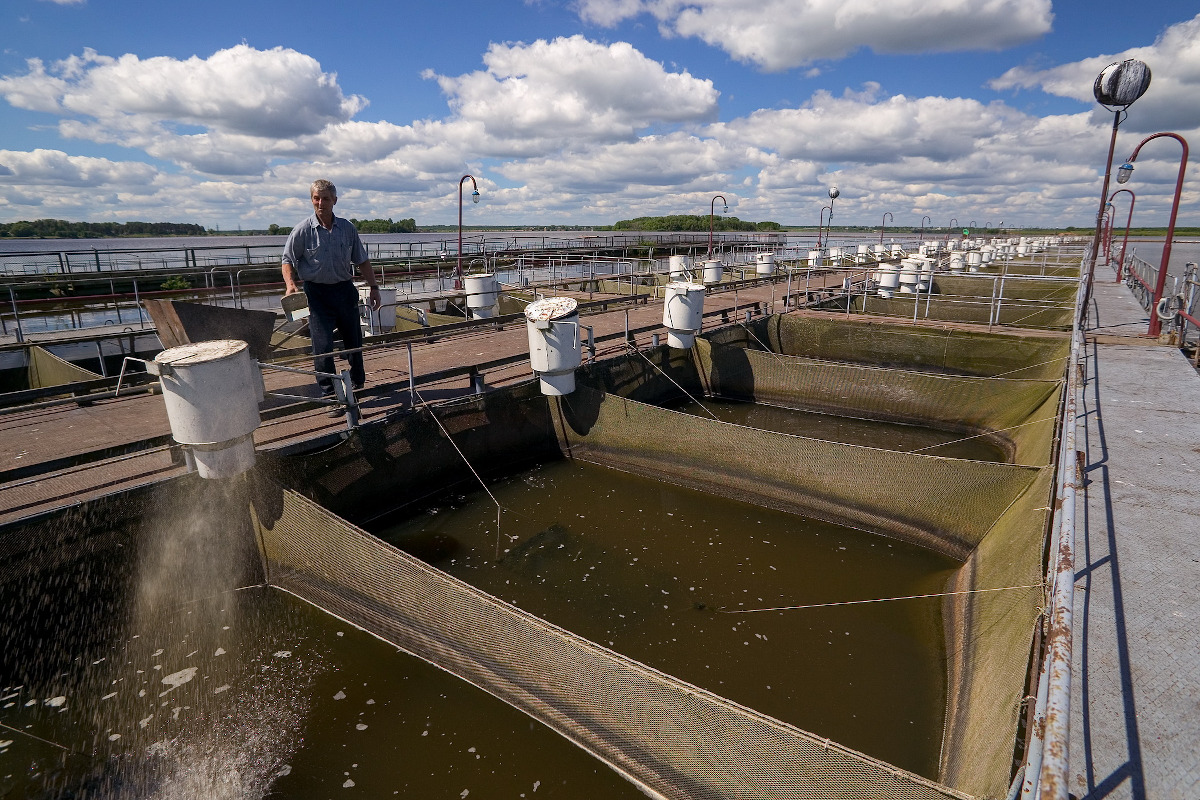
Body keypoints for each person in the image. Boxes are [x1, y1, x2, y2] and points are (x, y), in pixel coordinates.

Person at [281, 180, 381, 402]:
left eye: (325, 198)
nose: (320, 203)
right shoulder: (302, 230)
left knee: (354, 340)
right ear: (311, 200)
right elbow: (287, 260)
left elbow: (362, 260)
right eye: (316, 198)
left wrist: (374, 288)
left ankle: (358, 382)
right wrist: (290, 284)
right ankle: (329, 393)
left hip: (344, 291)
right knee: (322, 345)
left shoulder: (347, 228)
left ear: (334, 200)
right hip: (317, 295)